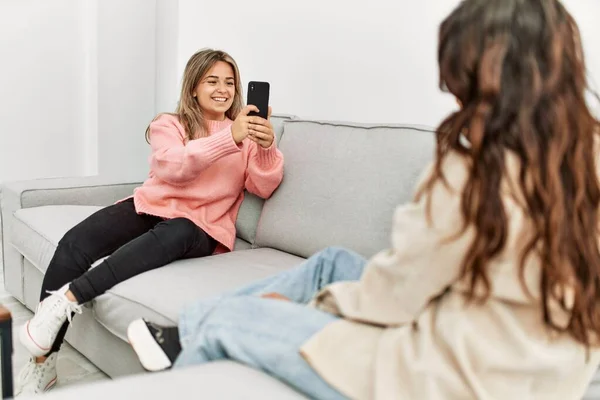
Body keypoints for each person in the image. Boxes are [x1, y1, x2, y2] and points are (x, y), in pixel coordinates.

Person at [127, 1, 600, 399]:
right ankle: (190, 331)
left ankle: (192, 331)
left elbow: (401, 294)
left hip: (447, 375)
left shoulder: (475, 166)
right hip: (546, 368)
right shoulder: (587, 150)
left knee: (238, 320)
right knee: (330, 263)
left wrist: (319, 307)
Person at [16, 48, 284, 395]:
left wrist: (265, 147)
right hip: (152, 206)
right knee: (75, 243)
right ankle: (44, 363)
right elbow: (172, 166)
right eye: (212, 81)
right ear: (193, 88)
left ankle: (68, 299)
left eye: (230, 82)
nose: (223, 89)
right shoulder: (169, 124)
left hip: (200, 228)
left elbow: (261, 186)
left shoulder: (244, 134)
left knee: (179, 228)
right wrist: (228, 137)